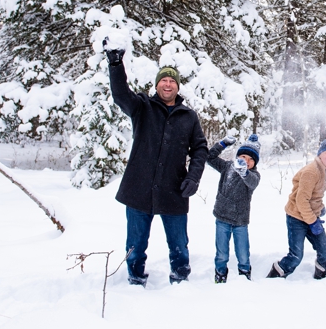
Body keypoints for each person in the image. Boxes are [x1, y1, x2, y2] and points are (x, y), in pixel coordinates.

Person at [105, 46, 209, 285]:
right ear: (157, 85)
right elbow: (121, 95)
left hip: (174, 189)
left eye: (172, 81)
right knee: (136, 242)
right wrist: (115, 65)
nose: (168, 84)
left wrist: (193, 178)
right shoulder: (142, 107)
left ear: (178, 87)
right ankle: (135, 277)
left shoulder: (188, 116)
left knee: (179, 243)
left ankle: (180, 278)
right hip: (139, 188)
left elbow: (200, 149)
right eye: (164, 80)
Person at [270, 138, 326, 280]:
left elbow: (315, 195)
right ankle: (275, 277)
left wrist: (320, 208)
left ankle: (323, 279)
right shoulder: (311, 172)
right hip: (296, 216)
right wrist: (313, 222)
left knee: (325, 250)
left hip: (311, 215)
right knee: (296, 255)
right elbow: (301, 201)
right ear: (320, 154)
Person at [206, 134, 261, 283]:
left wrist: (244, 172)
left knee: (243, 253)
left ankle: (244, 274)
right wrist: (223, 144)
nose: (246, 161)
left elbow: (252, 182)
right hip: (222, 217)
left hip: (240, 221)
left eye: (251, 159)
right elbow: (209, 157)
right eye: (243, 156)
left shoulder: (254, 174)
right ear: (238, 156)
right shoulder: (227, 167)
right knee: (222, 253)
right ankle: (220, 274)